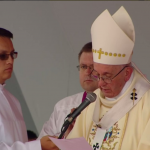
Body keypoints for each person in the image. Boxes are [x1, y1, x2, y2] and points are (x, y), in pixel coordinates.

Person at [67, 6, 150, 150]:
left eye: (107, 76)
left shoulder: (146, 104)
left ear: (127, 73)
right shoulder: (92, 102)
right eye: (97, 75)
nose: (99, 84)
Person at [0, 27, 59, 150]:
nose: (10, 61)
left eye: (12, 54)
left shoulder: (13, 100)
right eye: (3, 56)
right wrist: (38, 146)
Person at [38, 42, 98, 139]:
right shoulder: (63, 107)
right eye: (83, 67)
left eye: (93, 67)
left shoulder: (116, 106)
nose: (87, 72)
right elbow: (42, 144)